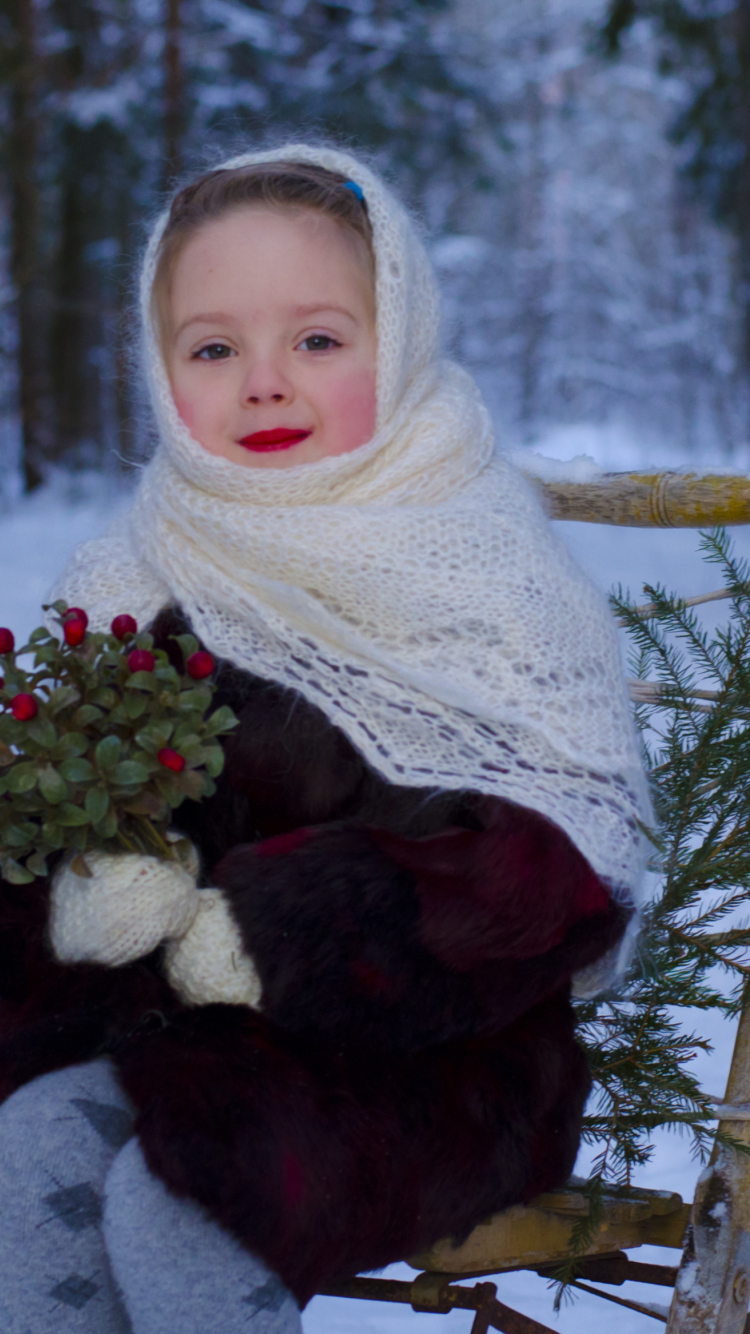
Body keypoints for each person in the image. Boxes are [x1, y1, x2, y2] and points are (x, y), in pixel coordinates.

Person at [0, 144, 650, 1334]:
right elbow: (57, 818)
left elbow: (556, 872)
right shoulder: (135, 577)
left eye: (316, 339)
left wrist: (269, 930)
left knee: (190, 1189)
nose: (264, 383)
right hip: (185, 1034)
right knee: (28, 1145)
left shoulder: (487, 570)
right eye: (214, 347)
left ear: (394, 337)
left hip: (439, 1054)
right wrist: (85, 884)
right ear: (161, 366)